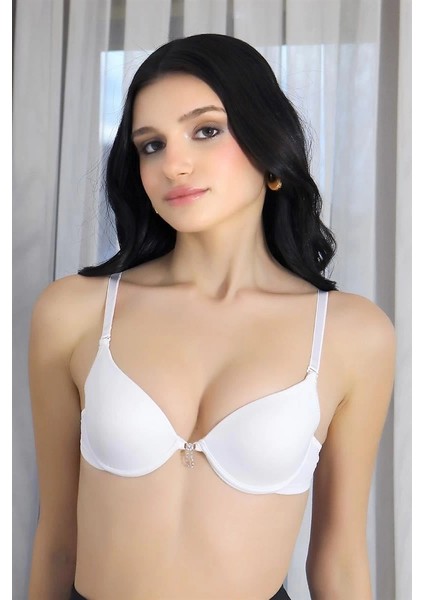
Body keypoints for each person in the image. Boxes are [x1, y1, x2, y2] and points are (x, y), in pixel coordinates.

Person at [27, 33, 395, 600]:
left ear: (270, 151)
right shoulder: (74, 312)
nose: (173, 164)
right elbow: (56, 541)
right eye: (151, 145)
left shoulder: (352, 334)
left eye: (206, 130)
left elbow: (340, 561)